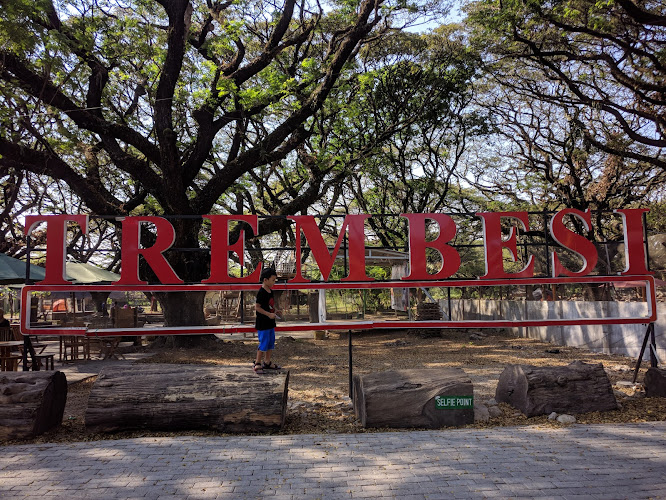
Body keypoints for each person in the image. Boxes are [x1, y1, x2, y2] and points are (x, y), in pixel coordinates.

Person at [253, 268, 282, 374]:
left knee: (270, 342)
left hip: (270, 322)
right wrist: (268, 314)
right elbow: (257, 307)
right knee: (264, 342)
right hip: (263, 322)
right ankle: (257, 362)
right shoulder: (261, 292)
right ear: (265, 280)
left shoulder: (270, 291)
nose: (274, 282)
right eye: (273, 280)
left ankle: (267, 361)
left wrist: (276, 311)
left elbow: (270, 304)